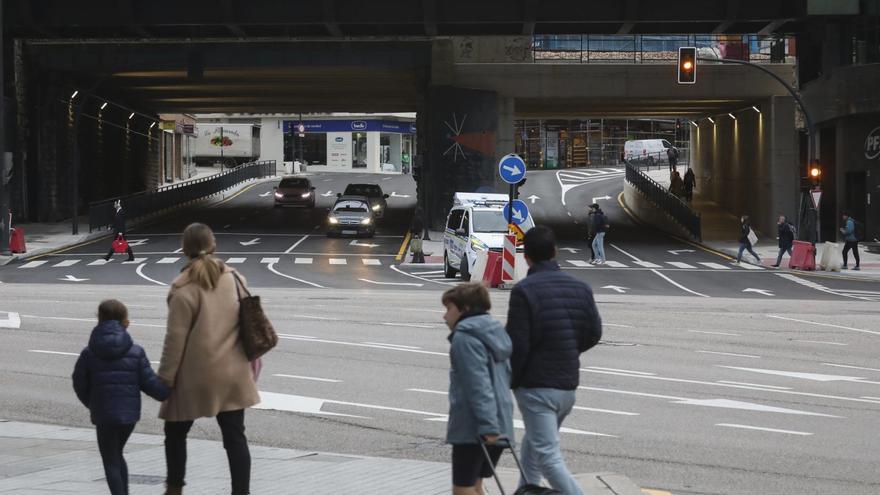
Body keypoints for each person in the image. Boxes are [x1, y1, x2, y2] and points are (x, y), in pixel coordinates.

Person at [158, 223, 261, 495]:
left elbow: (174, 341)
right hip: (233, 373)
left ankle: (174, 488)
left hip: (194, 376)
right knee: (235, 437)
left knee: (176, 433)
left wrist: (165, 379)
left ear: (184, 249)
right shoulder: (235, 279)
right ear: (213, 245)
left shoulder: (182, 289)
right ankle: (241, 491)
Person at [506, 226, 602, 495]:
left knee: (547, 455)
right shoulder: (581, 288)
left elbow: (518, 344)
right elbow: (594, 333)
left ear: (526, 257)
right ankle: (525, 489)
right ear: (555, 252)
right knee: (535, 443)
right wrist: (568, 349)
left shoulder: (524, 291)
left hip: (537, 387)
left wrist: (511, 380)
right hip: (567, 386)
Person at [72, 299, 170, 495]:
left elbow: (79, 382)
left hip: (103, 415)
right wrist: (169, 393)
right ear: (125, 321)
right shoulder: (135, 351)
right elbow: (150, 384)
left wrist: (92, 404)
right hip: (129, 417)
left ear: (99, 320)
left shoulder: (89, 353)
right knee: (117, 455)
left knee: (110, 459)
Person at [442, 283, 514, 495]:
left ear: (464, 309)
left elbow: (478, 385)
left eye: (449, 309)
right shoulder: (495, 332)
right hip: (501, 422)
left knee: (462, 489)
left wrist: (488, 426)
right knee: (475, 485)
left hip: (476, 428)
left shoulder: (465, 338)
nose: (444, 316)